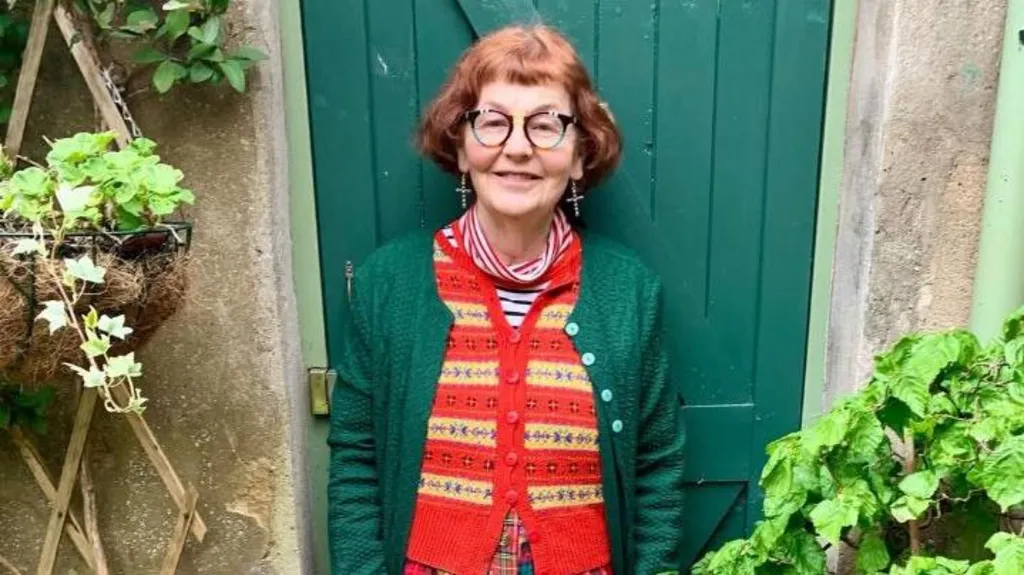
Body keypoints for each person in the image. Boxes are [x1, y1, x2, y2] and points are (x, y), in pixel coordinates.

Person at [328, 24, 685, 575]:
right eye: (493, 123)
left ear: (579, 156)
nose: (517, 148)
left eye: (546, 125)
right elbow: (356, 459)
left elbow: (657, 466)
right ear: (461, 146)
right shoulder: (389, 283)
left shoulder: (628, 289)